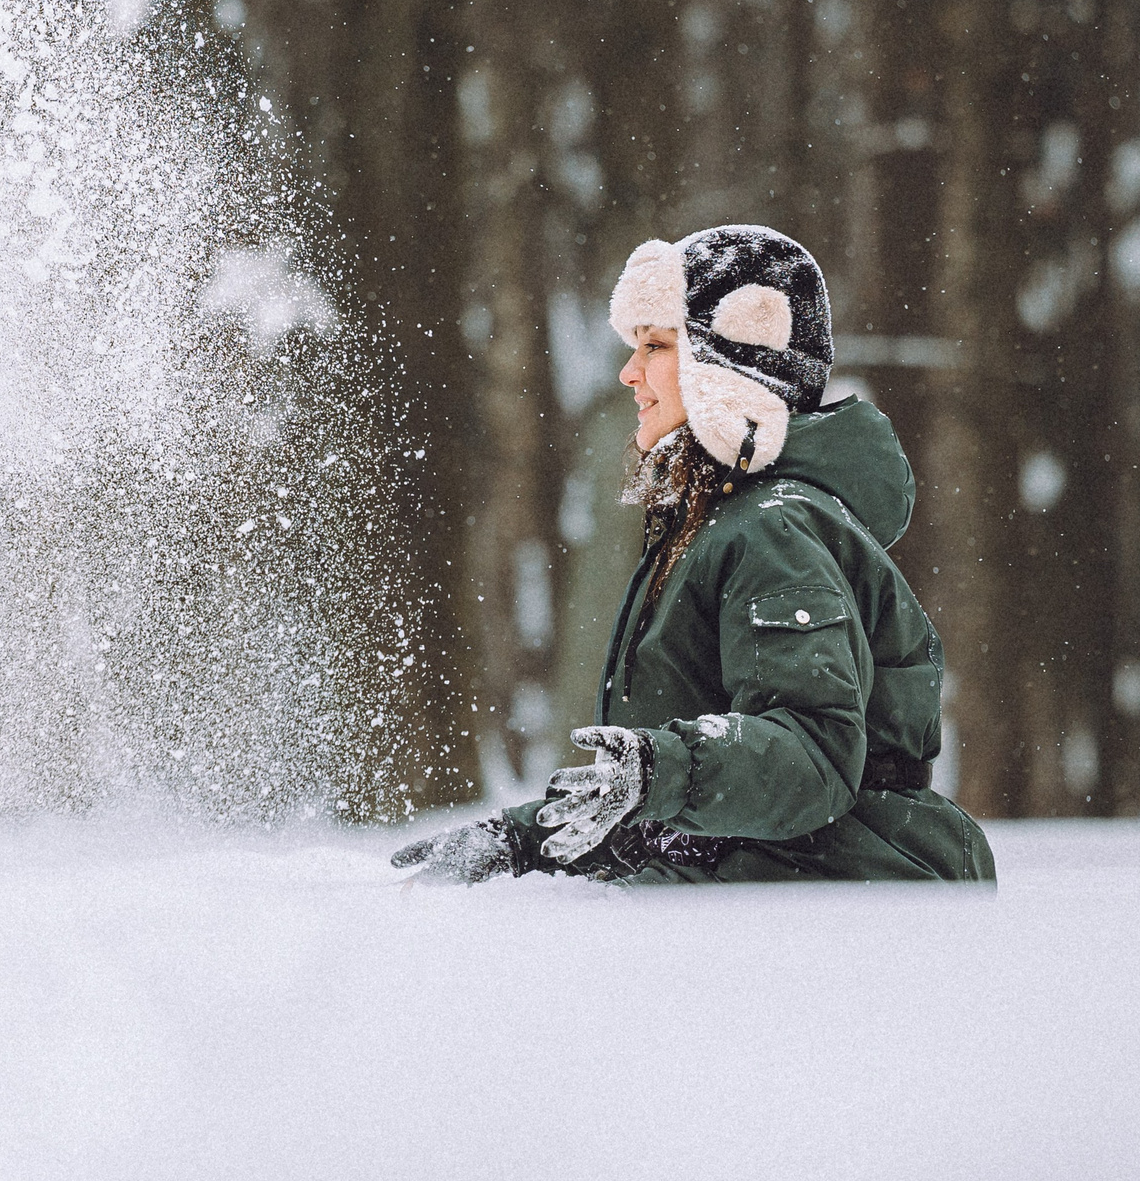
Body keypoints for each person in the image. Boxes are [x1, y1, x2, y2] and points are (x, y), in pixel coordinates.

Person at [393, 225, 995, 884]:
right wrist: (522, 839)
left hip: (840, 916)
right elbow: (687, 803)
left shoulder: (775, 530)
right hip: (774, 895)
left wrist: (658, 771)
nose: (629, 372)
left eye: (656, 346)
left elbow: (813, 757)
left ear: (728, 367)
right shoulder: (722, 525)